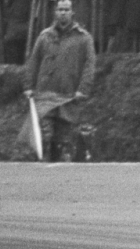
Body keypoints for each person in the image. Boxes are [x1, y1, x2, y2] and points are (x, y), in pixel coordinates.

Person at [24, 0, 95, 162]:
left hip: (68, 95)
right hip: (45, 94)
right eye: (60, 9)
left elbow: (89, 66)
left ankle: (59, 172)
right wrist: (28, 86)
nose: (63, 12)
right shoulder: (44, 37)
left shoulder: (83, 38)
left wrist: (83, 89)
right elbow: (33, 62)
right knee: (43, 135)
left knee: (63, 139)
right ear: (55, 12)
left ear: (72, 13)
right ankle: (38, 169)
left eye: (66, 9)